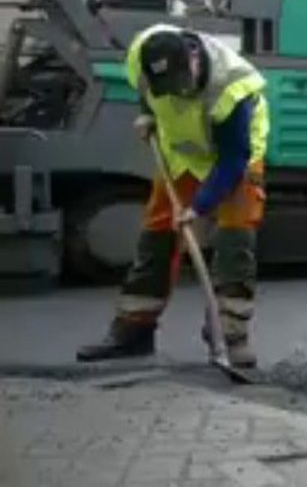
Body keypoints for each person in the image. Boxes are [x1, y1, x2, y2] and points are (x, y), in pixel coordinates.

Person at [77, 24, 270, 368]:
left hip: (234, 157)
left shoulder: (231, 89)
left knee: (235, 236)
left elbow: (232, 160)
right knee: (157, 232)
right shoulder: (142, 55)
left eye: (180, 84)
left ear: (194, 59)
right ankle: (134, 331)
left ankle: (230, 335)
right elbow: (143, 91)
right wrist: (147, 115)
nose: (176, 94)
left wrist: (199, 208)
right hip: (181, 155)